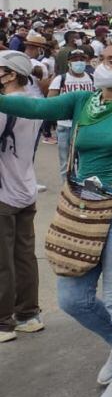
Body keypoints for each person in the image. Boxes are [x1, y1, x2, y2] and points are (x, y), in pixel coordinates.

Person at [0, 30, 112, 397]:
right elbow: (36, 108)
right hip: (83, 206)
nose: (102, 66)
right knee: (74, 298)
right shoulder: (82, 101)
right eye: (102, 58)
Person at [0, 51, 45, 343]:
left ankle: (3, 322)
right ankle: (29, 314)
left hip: (3, 192)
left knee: (3, 261)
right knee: (25, 256)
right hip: (25, 187)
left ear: (11, 74)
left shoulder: (5, 106)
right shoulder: (37, 103)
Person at [48, 49, 96, 179]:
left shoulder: (92, 78)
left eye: (82, 59)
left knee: (84, 160)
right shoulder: (60, 79)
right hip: (65, 126)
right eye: (75, 60)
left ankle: (81, 187)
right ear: (69, 62)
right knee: (66, 161)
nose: (79, 62)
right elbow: (50, 101)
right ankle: (67, 188)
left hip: (85, 126)